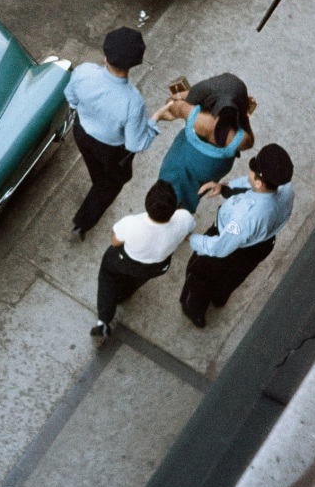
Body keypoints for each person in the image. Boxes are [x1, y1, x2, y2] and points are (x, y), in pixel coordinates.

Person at [65, 27, 173, 240]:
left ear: (105, 56)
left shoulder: (84, 71)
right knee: (110, 184)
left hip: (82, 132)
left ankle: (97, 182)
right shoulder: (133, 102)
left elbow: (71, 98)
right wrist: (155, 120)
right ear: (133, 64)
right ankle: (81, 224)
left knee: (96, 169)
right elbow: (136, 144)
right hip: (110, 149)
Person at [180, 143, 294, 328]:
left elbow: (218, 248)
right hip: (261, 245)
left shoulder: (245, 216)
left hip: (233, 244)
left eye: (253, 171)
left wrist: (189, 238)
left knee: (200, 274)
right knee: (232, 278)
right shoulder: (285, 186)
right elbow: (249, 185)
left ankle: (193, 309)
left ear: (258, 182)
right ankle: (219, 299)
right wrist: (225, 188)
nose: (249, 172)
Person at [92, 180, 195, 337]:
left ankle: (103, 322)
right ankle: (122, 295)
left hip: (124, 260)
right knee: (136, 279)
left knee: (108, 277)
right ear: (174, 206)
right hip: (156, 266)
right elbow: (188, 234)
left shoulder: (131, 222)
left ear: (147, 202)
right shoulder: (185, 218)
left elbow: (115, 241)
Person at [158, 73, 256, 213]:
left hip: (179, 162)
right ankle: (184, 213)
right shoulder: (241, 139)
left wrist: (186, 95)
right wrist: (244, 115)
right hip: (209, 172)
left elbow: (171, 105)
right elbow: (250, 139)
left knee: (168, 187)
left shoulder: (193, 113)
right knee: (193, 193)